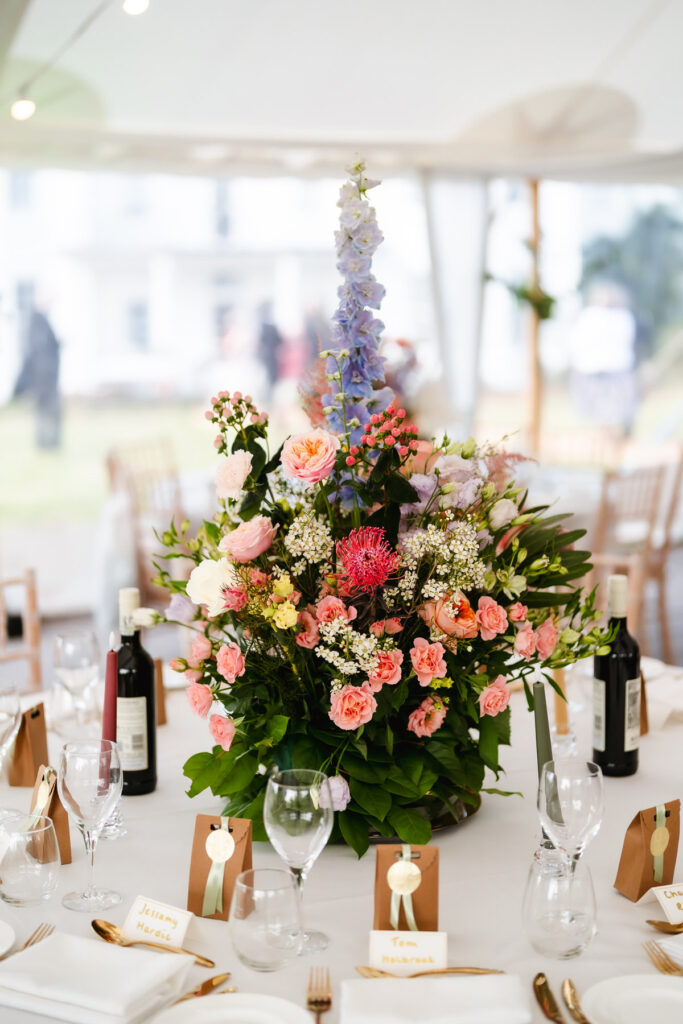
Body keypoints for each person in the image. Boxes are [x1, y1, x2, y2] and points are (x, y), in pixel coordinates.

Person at [570, 283, 638, 438]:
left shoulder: (622, 316)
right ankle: (607, 438)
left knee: (619, 410)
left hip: (615, 370)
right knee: (603, 411)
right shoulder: (590, 316)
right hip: (596, 370)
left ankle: (619, 438)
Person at [14, 302, 62, 449]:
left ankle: (48, 443)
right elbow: (38, 352)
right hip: (44, 378)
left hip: (45, 378)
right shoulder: (38, 323)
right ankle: (47, 444)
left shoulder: (39, 323)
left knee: (47, 411)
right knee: (46, 411)